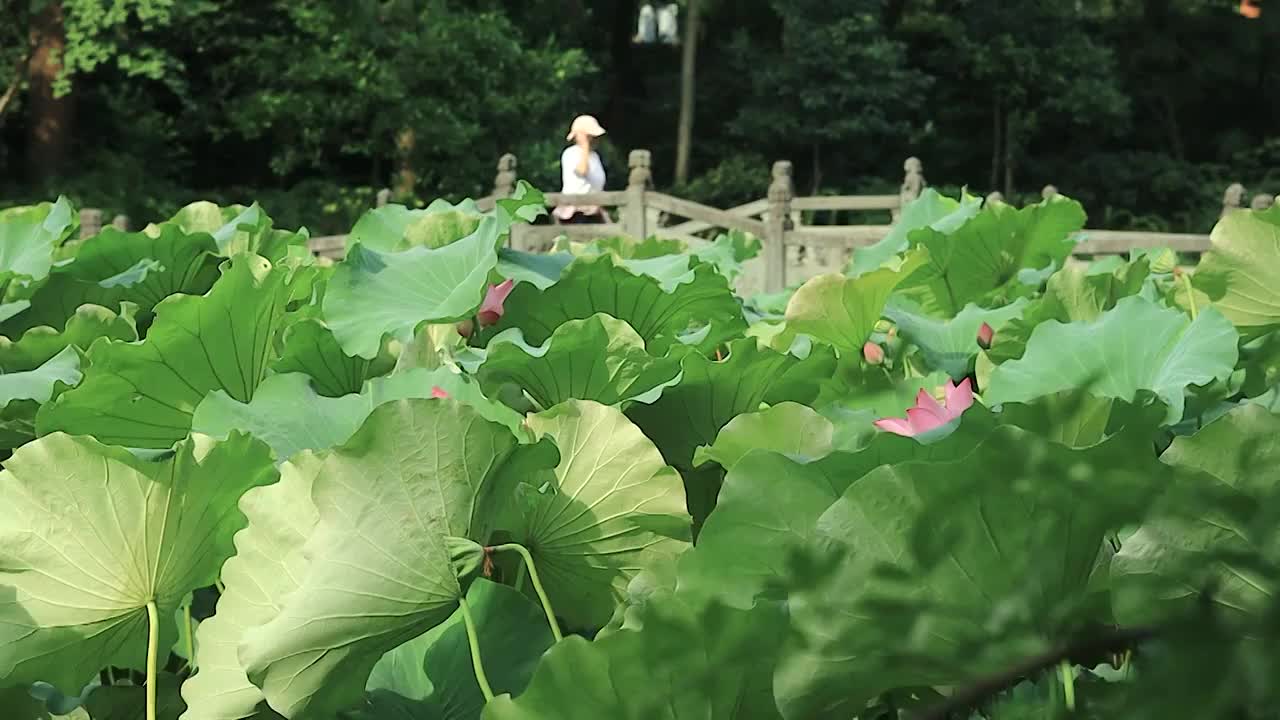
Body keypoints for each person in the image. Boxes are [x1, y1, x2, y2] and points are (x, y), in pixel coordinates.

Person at [555, 115, 610, 224]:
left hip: (593, 210)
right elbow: (582, 171)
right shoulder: (571, 153)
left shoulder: (595, 156)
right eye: (590, 136)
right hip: (575, 212)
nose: (595, 139)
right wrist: (584, 144)